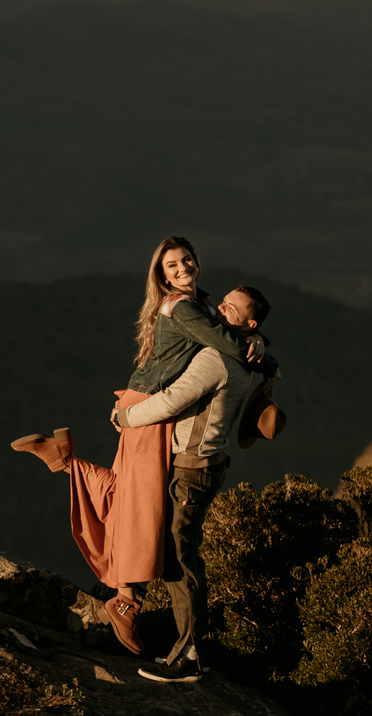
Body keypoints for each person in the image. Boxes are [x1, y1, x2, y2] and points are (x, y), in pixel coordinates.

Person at [10, 235, 265, 656]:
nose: (182, 268)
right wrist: (262, 352)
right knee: (139, 503)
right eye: (171, 266)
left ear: (197, 262)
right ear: (161, 275)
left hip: (152, 411)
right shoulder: (182, 307)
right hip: (149, 410)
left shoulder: (200, 301)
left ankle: (66, 461)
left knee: (132, 493)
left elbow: (229, 333)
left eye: (186, 260)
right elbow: (227, 343)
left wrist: (257, 339)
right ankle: (125, 599)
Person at [117, 282, 276, 686]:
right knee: (179, 555)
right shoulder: (244, 357)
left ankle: (189, 656)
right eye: (222, 301)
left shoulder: (216, 359)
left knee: (179, 559)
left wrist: (125, 418)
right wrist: (258, 342)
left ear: (249, 321)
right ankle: (186, 648)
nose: (220, 308)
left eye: (232, 308)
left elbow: (171, 400)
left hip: (191, 469)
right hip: (208, 466)